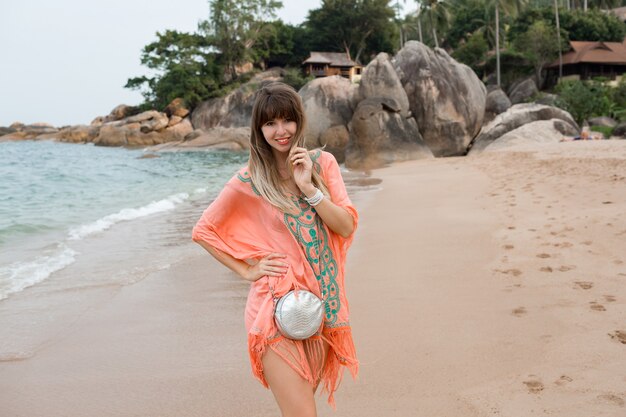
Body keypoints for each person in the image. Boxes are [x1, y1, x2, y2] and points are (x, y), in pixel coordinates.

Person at [192, 81, 358, 416]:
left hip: (319, 306)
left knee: (300, 408)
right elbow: (204, 230)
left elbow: (345, 225)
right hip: (274, 311)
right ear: (259, 129)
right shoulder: (250, 180)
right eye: (270, 123)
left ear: (299, 120)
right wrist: (247, 270)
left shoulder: (322, 164)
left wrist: (309, 187)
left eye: (287, 120)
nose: (280, 131)